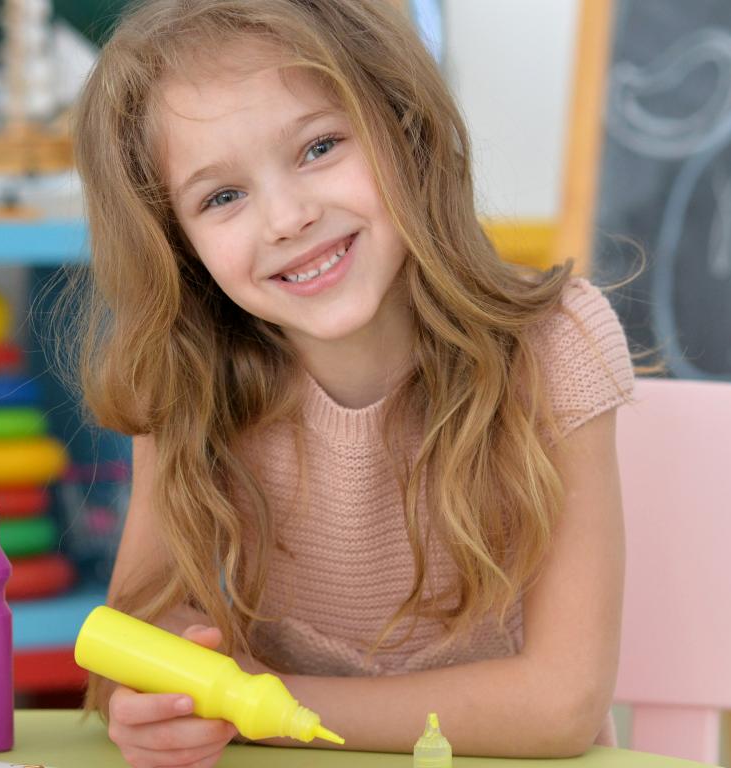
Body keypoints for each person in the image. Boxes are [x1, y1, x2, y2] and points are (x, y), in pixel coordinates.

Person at [65, 1, 635, 765]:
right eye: (222, 197)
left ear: (404, 128)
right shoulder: (187, 382)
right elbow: (128, 648)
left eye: (319, 147)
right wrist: (154, 695)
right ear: (177, 244)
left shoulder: (555, 345)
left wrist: (256, 704)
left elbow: (559, 706)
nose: (287, 218)